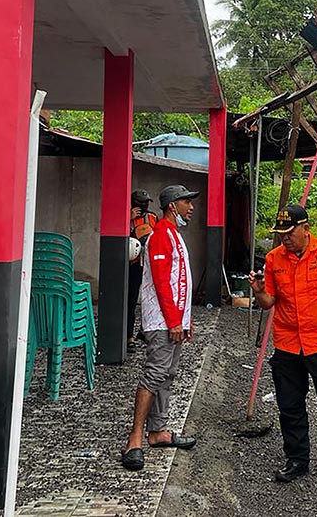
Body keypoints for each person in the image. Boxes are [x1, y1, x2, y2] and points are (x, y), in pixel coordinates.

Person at [249, 204, 317, 485]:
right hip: (287, 344)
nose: (284, 238)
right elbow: (268, 303)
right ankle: (297, 458)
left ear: (306, 228)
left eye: (289, 232)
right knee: (290, 405)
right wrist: (260, 292)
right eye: (280, 233)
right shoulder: (274, 259)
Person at [121, 184, 200, 471]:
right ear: (172, 206)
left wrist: (185, 320)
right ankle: (135, 439)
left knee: (167, 375)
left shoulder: (173, 235)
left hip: (174, 320)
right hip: (162, 322)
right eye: (186, 202)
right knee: (154, 375)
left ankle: (157, 431)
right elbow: (163, 282)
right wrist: (174, 320)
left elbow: (180, 283)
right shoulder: (160, 237)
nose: (190, 207)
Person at [128, 189, 159, 353]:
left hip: (150, 264)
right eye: (141, 204)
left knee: (151, 299)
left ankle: (144, 331)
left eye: (146, 203)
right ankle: (128, 337)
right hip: (133, 264)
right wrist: (129, 219)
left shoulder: (152, 217)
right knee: (130, 301)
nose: (144, 207)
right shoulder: (127, 217)